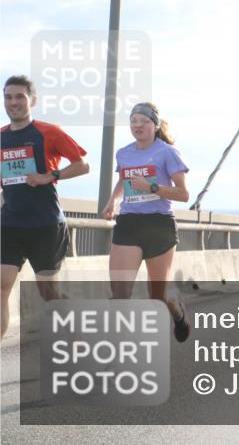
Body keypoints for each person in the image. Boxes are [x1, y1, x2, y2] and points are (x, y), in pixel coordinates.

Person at [1, 75, 89, 338]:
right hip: (10, 222)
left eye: (20, 97)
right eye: (8, 97)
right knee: (2, 286)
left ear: (33, 100)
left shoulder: (48, 132)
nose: (13, 102)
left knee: (48, 292)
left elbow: (83, 165)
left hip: (46, 224)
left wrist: (50, 176)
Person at [100, 102, 192, 342]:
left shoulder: (168, 153)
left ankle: (177, 311)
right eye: (133, 121)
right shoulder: (124, 153)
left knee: (158, 296)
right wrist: (113, 200)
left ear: (155, 125)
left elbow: (183, 194)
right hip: (129, 224)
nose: (137, 125)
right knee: (120, 295)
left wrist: (151, 187)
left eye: (143, 121)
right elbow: (124, 179)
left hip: (159, 226)